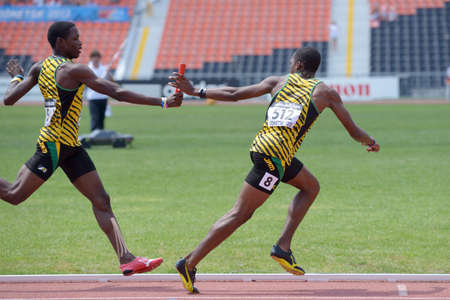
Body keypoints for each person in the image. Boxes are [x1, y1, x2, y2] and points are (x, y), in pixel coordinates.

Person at [169, 47, 380, 294]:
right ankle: (189, 262)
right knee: (241, 213)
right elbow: (354, 131)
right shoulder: (325, 92)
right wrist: (371, 142)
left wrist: (197, 91)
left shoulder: (277, 82)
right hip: (274, 158)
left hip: (269, 151)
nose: (289, 66)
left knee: (310, 187)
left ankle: (283, 247)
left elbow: (235, 94)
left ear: (299, 64)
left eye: (292, 62)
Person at [1, 21, 182, 275]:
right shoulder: (73, 70)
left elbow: (9, 97)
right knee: (14, 195)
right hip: (53, 145)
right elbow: (116, 93)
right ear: (61, 42)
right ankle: (126, 257)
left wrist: (17, 77)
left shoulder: (39, 67)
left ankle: (126, 258)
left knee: (101, 199)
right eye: (75, 38)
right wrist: (163, 102)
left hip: (71, 146)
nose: (81, 43)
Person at [85, 49, 111, 132]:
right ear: (91, 58)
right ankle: (94, 134)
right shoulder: (88, 69)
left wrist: (108, 74)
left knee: (102, 117)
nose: (96, 59)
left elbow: (108, 81)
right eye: (94, 57)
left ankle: (101, 135)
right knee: (95, 117)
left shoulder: (104, 68)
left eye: (97, 57)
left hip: (103, 96)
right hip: (93, 97)